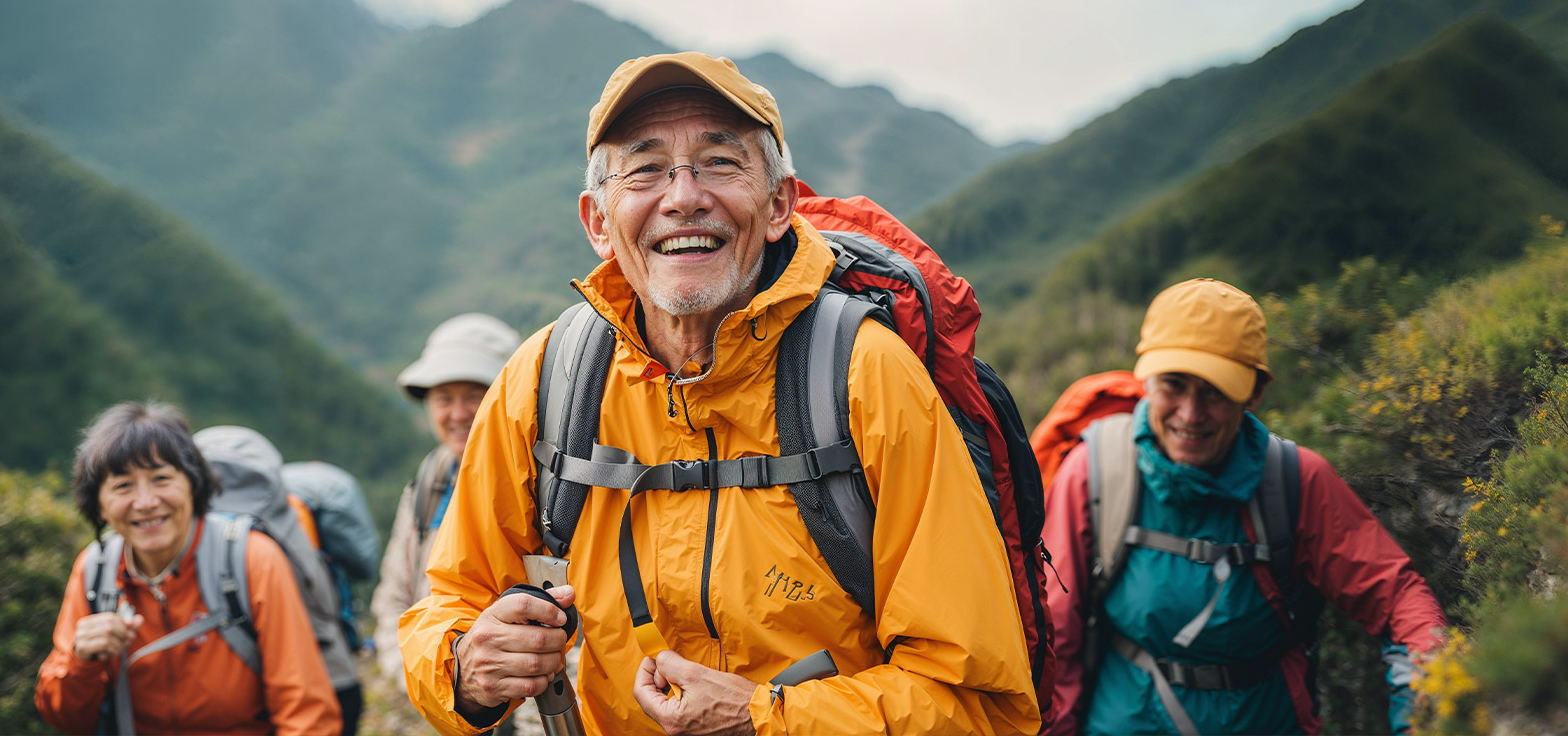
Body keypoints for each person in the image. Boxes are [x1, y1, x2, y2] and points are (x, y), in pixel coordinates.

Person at [398, 52, 1039, 735]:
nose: (683, 196)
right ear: (597, 223)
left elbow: (981, 703)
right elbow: (449, 599)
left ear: (778, 205)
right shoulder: (547, 378)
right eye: (645, 169)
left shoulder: (864, 377)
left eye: (720, 163)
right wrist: (465, 669)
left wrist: (767, 721)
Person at [1041, 279, 1449, 736]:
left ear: (1252, 394)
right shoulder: (1095, 473)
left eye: (1214, 391)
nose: (1191, 414)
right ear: (1146, 380)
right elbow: (1058, 637)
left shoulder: (1295, 482)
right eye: (1173, 386)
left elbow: (1396, 597)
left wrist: (1427, 712)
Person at [36, 401, 341, 736]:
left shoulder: (252, 559)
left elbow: (305, 711)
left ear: (193, 486)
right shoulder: (96, 570)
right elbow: (67, 720)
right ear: (100, 506)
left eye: (161, 479)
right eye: (123, 486)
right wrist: (83, 663)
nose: (146, 501)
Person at [372, 312, 519, 693]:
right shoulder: (428, 485)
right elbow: (394, 594)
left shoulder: (541, 482)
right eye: (443, 398)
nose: (458, 414)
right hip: (450, 706)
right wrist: (427, 681)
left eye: (474, 396)